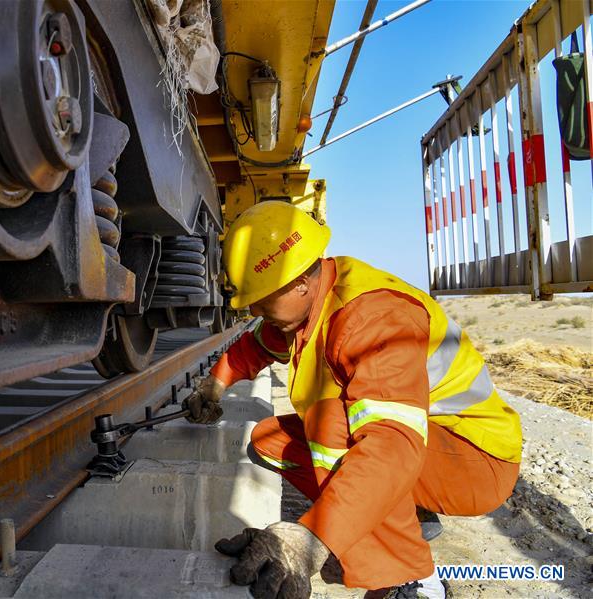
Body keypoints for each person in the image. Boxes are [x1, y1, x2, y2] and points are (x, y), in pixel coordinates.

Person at [183, 202, 522, 599]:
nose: (255, 311)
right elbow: (252, 349)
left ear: (300, 283)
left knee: (329, 422)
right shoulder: (307, 305)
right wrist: (214, 386)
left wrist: (309, 539)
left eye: (261, 300)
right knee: (269, 441)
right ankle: (399, 514)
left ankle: (414, 578)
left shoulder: (374, 318)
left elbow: (390, 447)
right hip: (423, 448)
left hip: (474, 460)